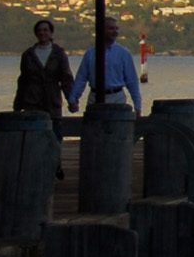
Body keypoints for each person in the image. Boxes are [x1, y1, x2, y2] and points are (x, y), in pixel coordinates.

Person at [16, 18, 73, 176]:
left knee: (55, 137)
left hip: (52, 101)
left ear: (51, 33)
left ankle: (55, 165)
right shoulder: (28, 55)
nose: (42, 33)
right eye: (39, 31)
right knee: (33, 138)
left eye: (45, 30)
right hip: (32, 101)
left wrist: (72, 100)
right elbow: (23, 80)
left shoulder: (59, 54)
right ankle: (35, 168)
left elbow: (66, 78)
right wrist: (17, 104)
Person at [67, 17, 144, 113]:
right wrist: (73, 99)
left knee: (116, 127)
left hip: (117, 98)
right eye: (111, 28)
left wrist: (137, 106)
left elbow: (132, 81)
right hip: (95, 98)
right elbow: (81, 79)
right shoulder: (90, 54)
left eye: (117, 28)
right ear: (102, 30)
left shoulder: (124, 54)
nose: (115, 31)